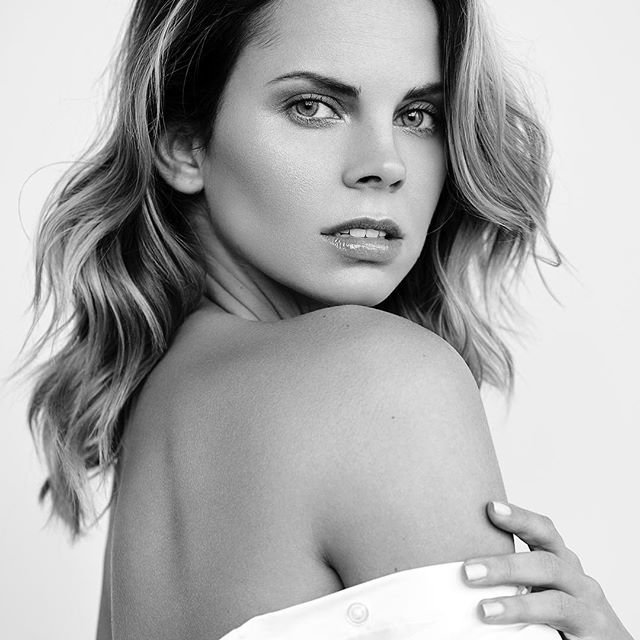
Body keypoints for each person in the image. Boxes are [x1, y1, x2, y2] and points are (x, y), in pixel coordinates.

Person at [23, 0, 633, 638]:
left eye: (417, 115)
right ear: (184, 145)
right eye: (312, 107)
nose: (386, 164)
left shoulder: (159, 409)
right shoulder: (379, 376)